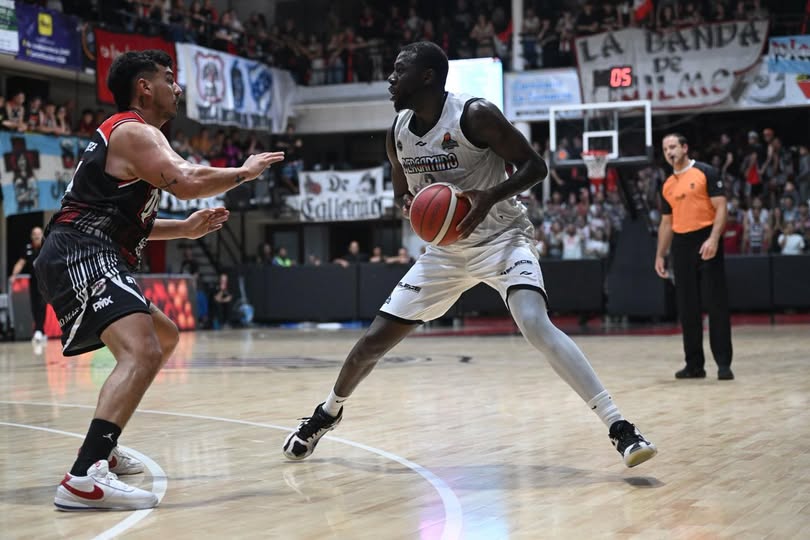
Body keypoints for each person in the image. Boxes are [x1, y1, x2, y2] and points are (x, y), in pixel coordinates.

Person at [283, 42, 656, 469]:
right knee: (371, 343)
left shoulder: (474, 115)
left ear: (427, 76)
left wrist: (488, 196)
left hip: (502, 239)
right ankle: (326, 413)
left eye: (398, 70)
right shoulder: (397, 131)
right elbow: (401, 187)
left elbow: (536, 166)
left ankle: (619, 426)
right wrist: (409, 205)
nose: (390, 78)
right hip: (444, 251)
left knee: (534, 324)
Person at [35, 50, 284, 511]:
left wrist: (185, 228)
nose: (178, 88)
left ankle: (102, 450)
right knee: (143, 350)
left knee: (163, 337)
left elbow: (122, 220)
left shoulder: (132, 139)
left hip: (86, 247)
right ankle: (84, 476)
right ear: (144, 88)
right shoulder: (133, 130)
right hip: (81, 251)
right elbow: (187, 179)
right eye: (169, 79)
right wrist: (243, 173)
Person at [655, 133, 733, 381]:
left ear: (685, 147)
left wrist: (713, 238)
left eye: (673, 146)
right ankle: (694, 365)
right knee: (687, 306)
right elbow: (666, 224)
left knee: (715, 303)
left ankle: (723, 364)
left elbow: (721, 207)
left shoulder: (705, 172)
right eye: (666, 148)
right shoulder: (667, 184)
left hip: (706, 239)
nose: (670, 152)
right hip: (681, 243)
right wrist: (660, 255)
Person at [11, 227, 46, 343]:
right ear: (31, 236)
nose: (36, 236)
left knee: (42, 305)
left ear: (42, 235)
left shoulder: (46, 246)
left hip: (45, 280)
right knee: (34, 305)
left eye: (38, 234)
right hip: (33, 280)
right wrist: (13, 275)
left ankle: (39, 330)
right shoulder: (28, 248)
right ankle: (40, 331)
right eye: (34, 234)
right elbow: (21, 262)